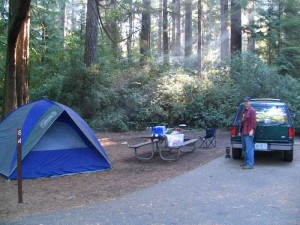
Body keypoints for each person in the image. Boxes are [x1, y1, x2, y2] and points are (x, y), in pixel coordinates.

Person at [241, 96, 256, 169]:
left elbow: (254, 121)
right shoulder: (245, 110)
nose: (246, 103)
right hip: (243, 132)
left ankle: (250, 164)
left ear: (250, 102)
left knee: (249, 149)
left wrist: (252, 130)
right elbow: (243, 121)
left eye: (247, 101)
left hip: (248, 132)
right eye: (245, 101)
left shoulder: (252, 110)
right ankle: (246, 162)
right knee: (244, 148)